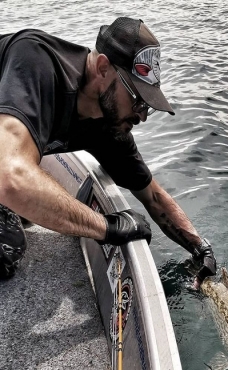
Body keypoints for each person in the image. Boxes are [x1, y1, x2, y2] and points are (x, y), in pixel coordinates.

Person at [0, 16, 216, 283]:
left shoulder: (109, 124)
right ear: (103, 68)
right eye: (138, 99)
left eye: (147, 106)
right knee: (8, 247)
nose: (142, 115)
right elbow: (10, 178)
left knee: (27, 210)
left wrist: (199, 247)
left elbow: (152, 195)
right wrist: (108, 227)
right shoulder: (35, 59)